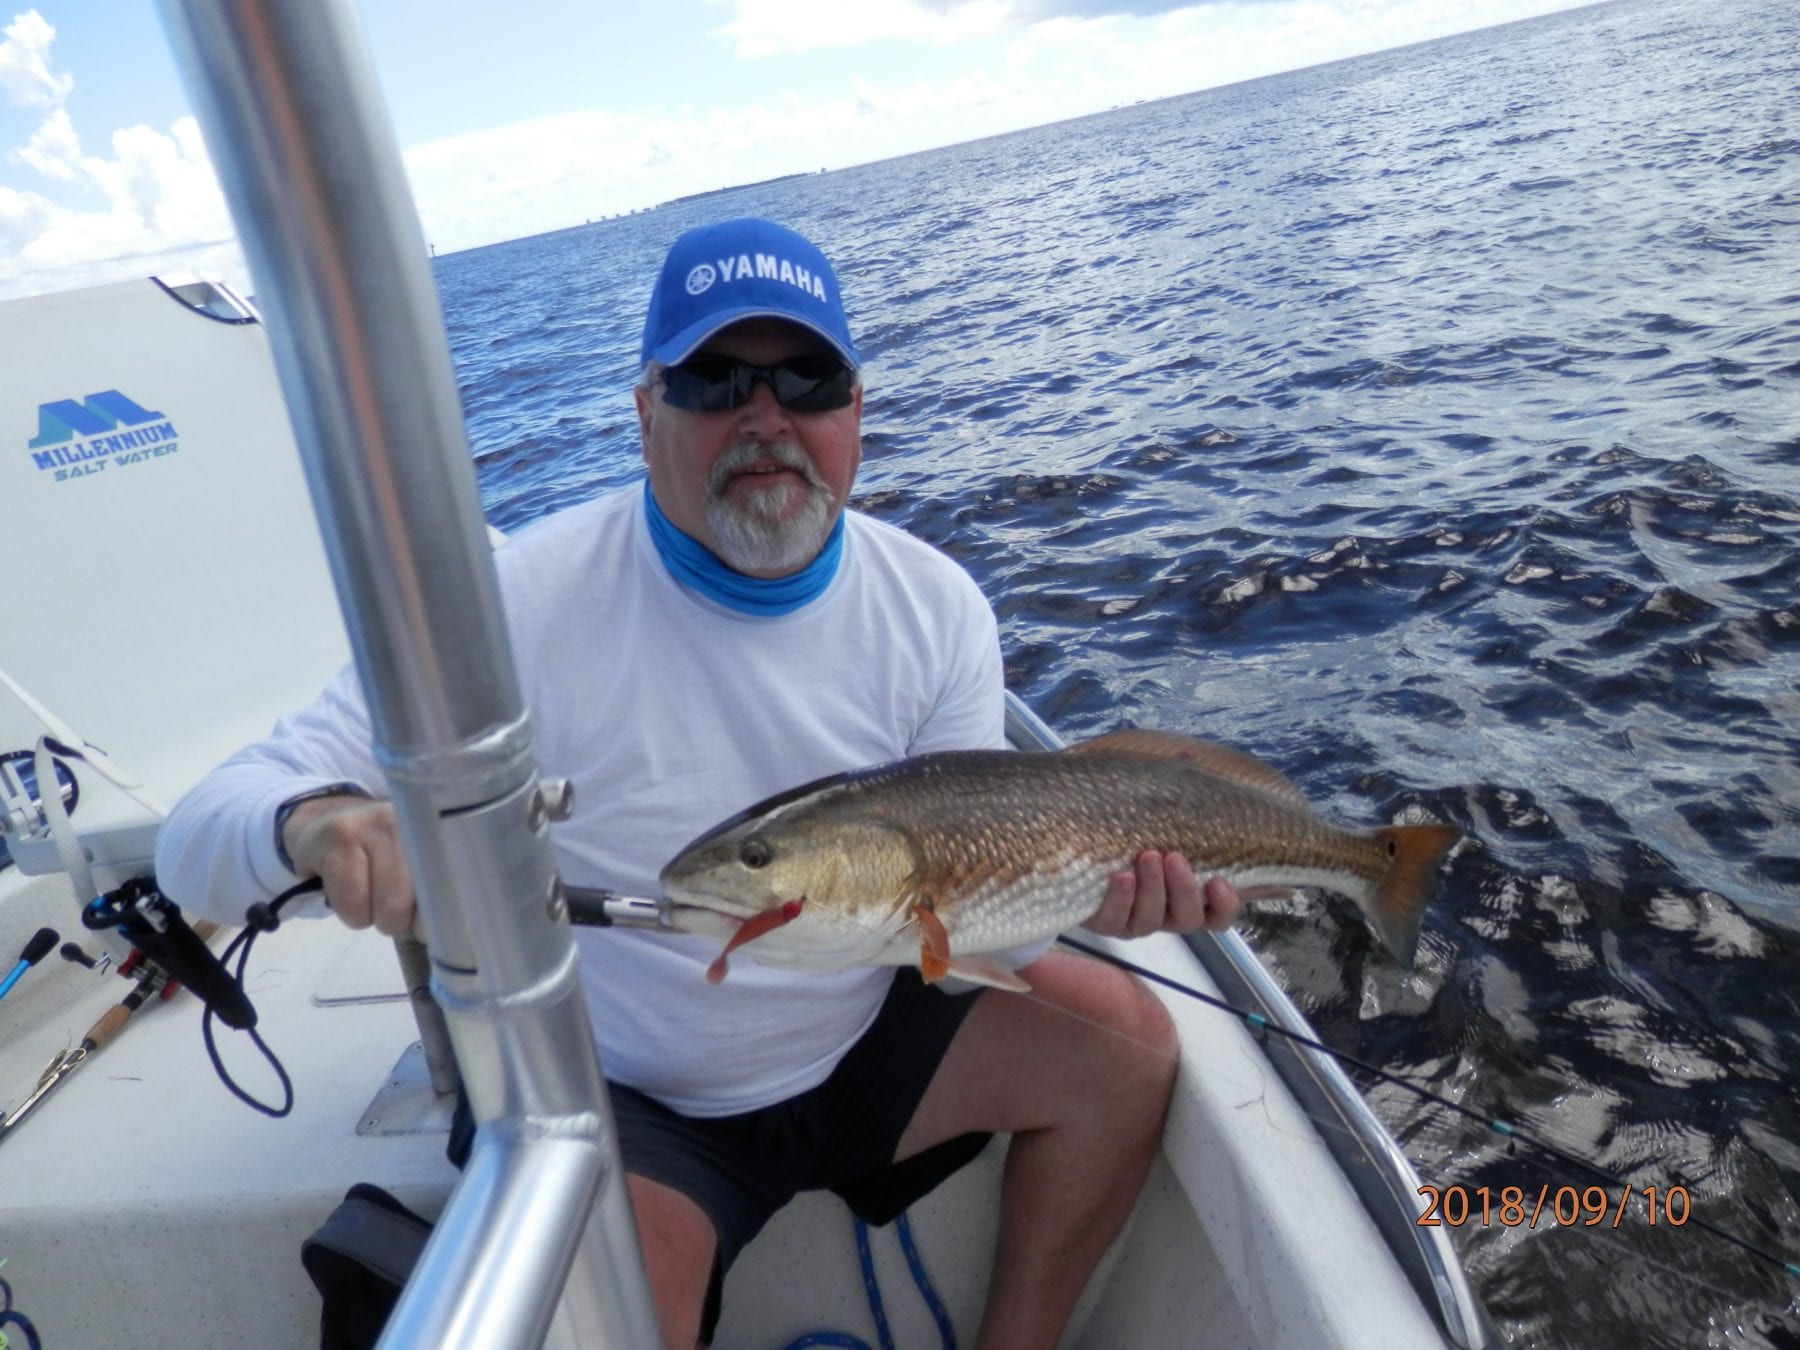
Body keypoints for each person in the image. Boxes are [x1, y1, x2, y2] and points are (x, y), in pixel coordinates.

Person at [155, 216, 1242, 1349]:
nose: (764, 418)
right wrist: (318, 822)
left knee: (1126, 1048)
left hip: (861, 1033)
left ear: (855, 414)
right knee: (623, 1311)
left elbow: (990, 942)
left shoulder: (937, 607)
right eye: (714, 381)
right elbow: (201, 830)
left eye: (806, 379)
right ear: (643, 411)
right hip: (633, 1101)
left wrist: (1099, 902)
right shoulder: (513, 608)